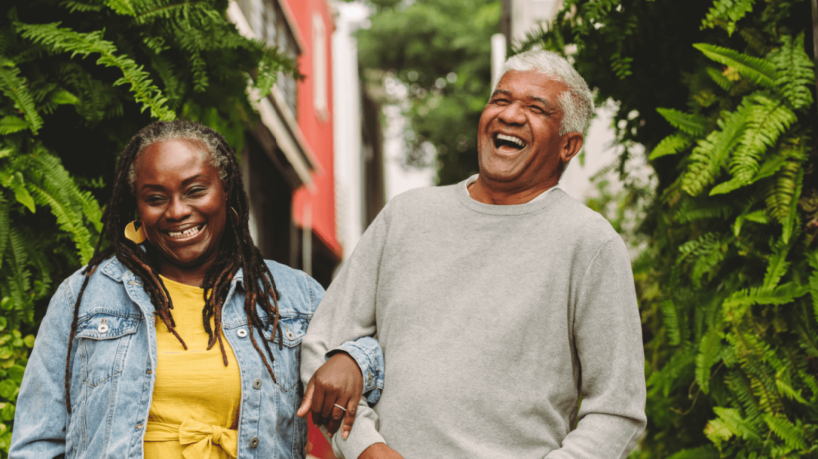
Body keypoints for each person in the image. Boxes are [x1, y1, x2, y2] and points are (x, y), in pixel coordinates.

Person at [300, 49, 647, 459]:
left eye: (536, 108)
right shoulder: (407, 215)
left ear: (568, 145)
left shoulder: (590, 243)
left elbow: (616, 411)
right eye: (501, 100)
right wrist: (364, 447)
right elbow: (323, 345)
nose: (510, 115)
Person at [10, 120, 383, 459]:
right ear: (136, 209)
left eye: (195, 190)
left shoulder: (291, 295)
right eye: (156, 198)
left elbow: (377, 353)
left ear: (226, 193)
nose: (176, 211)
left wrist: (352, 360)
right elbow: (37, 442)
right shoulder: (85, 296)